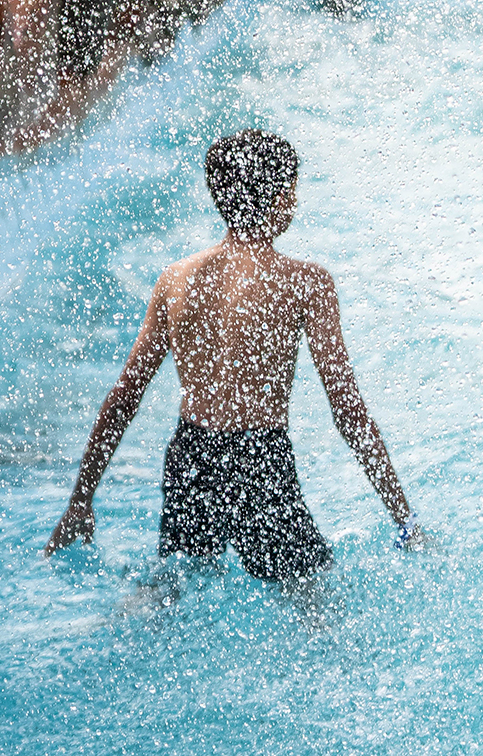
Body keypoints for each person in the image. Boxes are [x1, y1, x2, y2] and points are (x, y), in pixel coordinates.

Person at [44, 129, 423, 583]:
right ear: (282, 199)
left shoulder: (176, 280)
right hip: (260, 460)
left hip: (192, 454)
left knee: (167, 593)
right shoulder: (306, 283)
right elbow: (346, 408)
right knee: (315, 605)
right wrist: (404, 518)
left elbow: (125, 396)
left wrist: (80, 501)